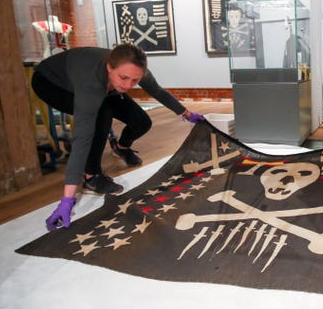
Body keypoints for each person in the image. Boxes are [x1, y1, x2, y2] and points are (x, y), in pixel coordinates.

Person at [31, 43, 205, 231]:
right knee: (102, 114)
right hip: (51, 81)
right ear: (109, 67)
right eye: (124, 78)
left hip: (100, 80)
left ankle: (121, 148)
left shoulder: (132, 72)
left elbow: (158, 91)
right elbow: (82, 139)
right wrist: (67, 200)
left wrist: (186, 113)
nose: (128, 85)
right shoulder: (90, 83)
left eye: (134, 80)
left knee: (141, 121)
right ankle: (91, 175)